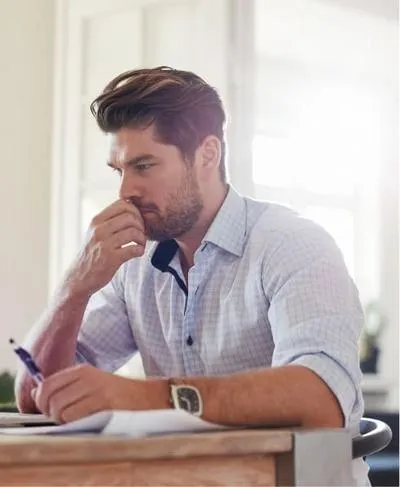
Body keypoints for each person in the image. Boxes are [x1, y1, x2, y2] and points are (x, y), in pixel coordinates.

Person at [16, 66, 367, 482]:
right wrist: (74, 287)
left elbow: (321, 400)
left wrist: (144, 398)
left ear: (208, 155)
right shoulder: (135, 266)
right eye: (119, 170)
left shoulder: (293, 244)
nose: (125, 191)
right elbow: (36, 393)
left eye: (144, 165)